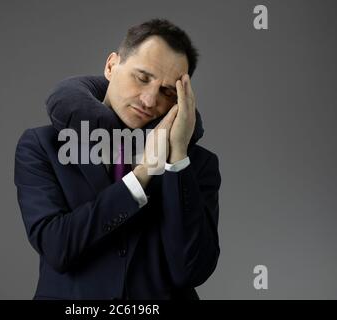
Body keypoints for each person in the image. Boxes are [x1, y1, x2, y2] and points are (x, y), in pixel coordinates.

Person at [14, 18, 221, 300]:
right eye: (143, 77)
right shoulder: (42, 146)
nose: (149, 101)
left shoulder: (196, 164)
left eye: (167, 91)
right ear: (111, 66)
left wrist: (176, 159)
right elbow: (57, 247)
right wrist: (144, 173)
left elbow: (192, 270)